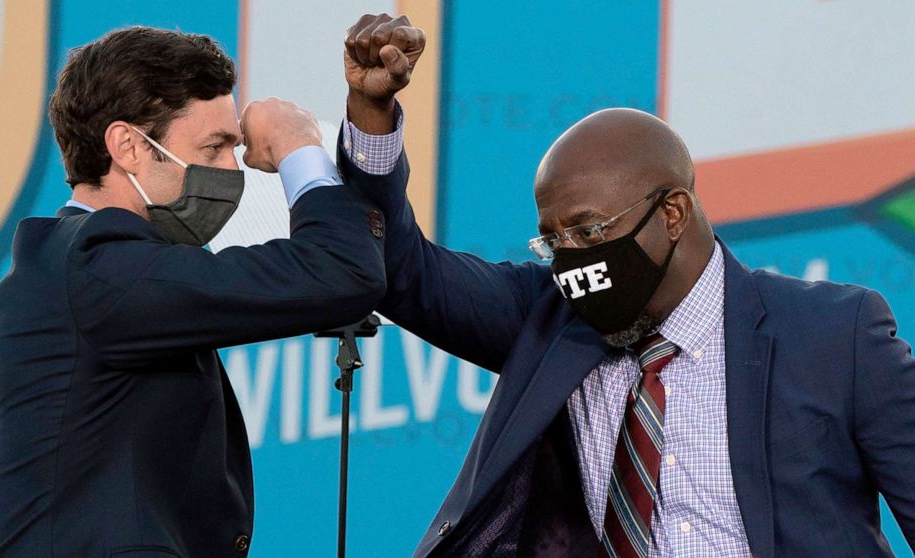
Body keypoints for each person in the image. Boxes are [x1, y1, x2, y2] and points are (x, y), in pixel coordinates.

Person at [337, 14, 915, 558]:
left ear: (673, 213)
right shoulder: (549, 322)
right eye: (553, 239)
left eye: (589, 231)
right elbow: (399, 268)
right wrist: (371, 114)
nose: (572, 258)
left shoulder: (836, 335)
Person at [0, 26, 387, 557]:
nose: (233, 169)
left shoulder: (95, 267)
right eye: (214, 147)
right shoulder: (97, 264)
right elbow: (341, 273)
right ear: (128, 147)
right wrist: (298, 148)